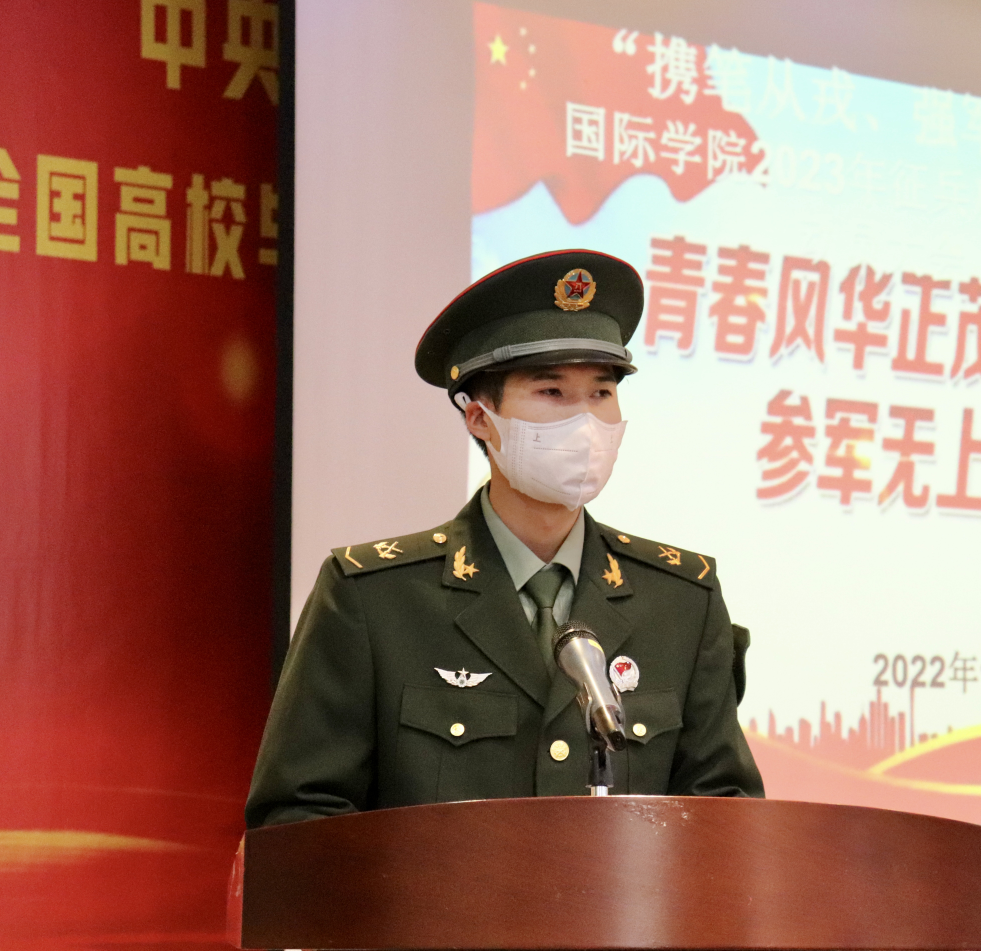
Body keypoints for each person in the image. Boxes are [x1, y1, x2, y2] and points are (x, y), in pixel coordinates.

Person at [245, 250, 764, 828]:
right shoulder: (374, 598)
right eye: (552, 393)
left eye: (601, 394)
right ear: (479, 418)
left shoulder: (681, 601)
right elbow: (298, 816)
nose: (586, 424)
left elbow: (725, 818)